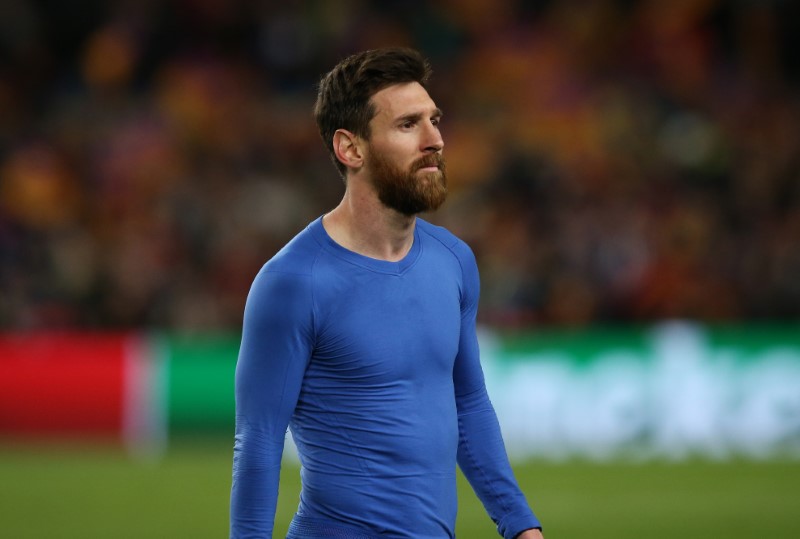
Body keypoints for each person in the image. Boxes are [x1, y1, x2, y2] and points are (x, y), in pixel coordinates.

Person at [230, 47, 543, 539]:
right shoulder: (293, 283)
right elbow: (259, 440)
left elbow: (469, 403)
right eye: (408, 125)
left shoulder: (454, 261)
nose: (435, 139)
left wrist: (520, 524)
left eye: (435, 120)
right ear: (350, 149)